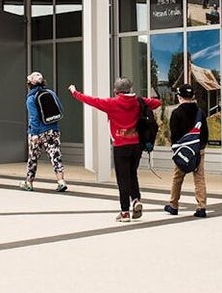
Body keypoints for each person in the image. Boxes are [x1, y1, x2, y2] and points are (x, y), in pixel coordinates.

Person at [69, 78, 161, 222]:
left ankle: (125, 212)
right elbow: (157, 103)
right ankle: (136, 200)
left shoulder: (111, 103)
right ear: (130, 89)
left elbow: (91, 100)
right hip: (136, 144)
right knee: (132, 174)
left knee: (122, 178)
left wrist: (75, 92)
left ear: (116, 91)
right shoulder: (138, 101)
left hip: (120, 145)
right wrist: (143, 101)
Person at [164, 84, 209, 218]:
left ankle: (173, 205)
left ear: (179, 97)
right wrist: (201, 148)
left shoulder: (176, 113)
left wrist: (176, 150)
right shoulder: (200, 112)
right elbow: (205, 133)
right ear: (192, 97)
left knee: (177, 178)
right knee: (199, 178)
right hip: (198, 150)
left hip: (183, 151)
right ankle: (201, 207)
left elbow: (174, 135)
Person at [20, 72, 67, 192]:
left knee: (33, 157)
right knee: (55, 155)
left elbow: (33, 117)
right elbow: (60, 109)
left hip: (38, 132)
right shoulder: (51, 93)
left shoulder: (31, 98)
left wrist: (34, 133)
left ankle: (29, 183)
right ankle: (61, 181)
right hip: (53, 130)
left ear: (29, 83)